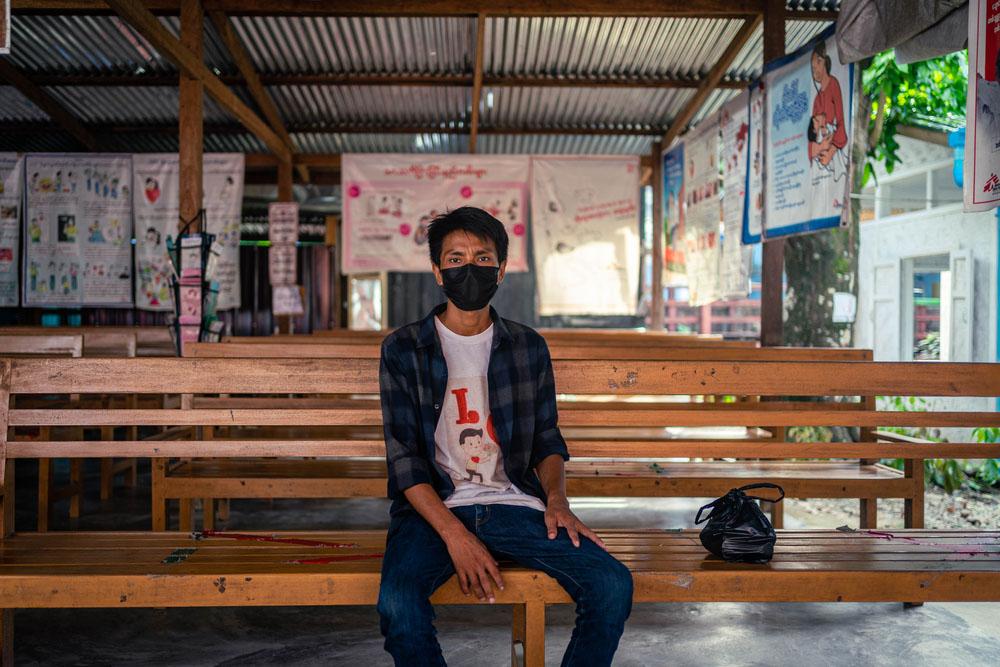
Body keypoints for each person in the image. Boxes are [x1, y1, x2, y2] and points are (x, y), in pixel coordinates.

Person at [377, 206, 633, 666]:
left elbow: (546, 439)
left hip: (517, 505)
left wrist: (557, 501)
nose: (468, 268)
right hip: (436, 510)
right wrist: (455, 535)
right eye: (454, 259)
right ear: (437, 271)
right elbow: (405, 459)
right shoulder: (403, 348)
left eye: (482, 257)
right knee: (398, 604)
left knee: (611, 583)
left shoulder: (527, 345)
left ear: (501, 268)